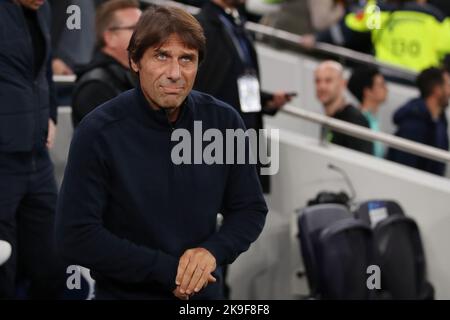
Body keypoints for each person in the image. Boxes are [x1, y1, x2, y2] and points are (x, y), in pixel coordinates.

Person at [55, 5, 268, 300]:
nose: (175, 73)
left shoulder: (223, 121)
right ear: (135, 60)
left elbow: (249, 208)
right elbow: (76, 235)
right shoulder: (98, 132)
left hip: (202, 297)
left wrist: (211, 252)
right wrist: (169, 271)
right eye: (161, 56)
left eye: (187, 59)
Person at [0, 0, 64, 299]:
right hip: (3, 159)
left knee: (50, 261)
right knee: (3, 266)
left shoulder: (42, 10)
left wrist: (50, 113)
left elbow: (44, 71)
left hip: (37, 157)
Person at [194, 0, 292, 194]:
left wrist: (265, 101)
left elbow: (235, 80)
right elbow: (206, 86)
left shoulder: (236, 23)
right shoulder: (202, 26)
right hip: (216, 144)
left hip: (245, 137)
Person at [305, 0, 450, 72]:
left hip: (384, 82)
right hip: (420, 85)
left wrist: (317, 39)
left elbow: (347, 29)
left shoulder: (382, 12)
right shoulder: (438, 21)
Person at [71, 0, 141, 127]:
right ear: (110, 37)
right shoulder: (95, 87)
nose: (145, 34)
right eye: (135, 28)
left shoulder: (135, 76)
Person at [387, 68, 450, 176]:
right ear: (437, 90)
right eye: (448, 85)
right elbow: (404, 170)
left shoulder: (440, 120)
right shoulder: (413, 125)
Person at [315, 61, 374, 154]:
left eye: (328, 80)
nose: (321, 86)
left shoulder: (355, 120)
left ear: (342, 83)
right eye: (317, 81)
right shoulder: (329, 117)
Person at [348, 65, 388, 158]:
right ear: (368, 91)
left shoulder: (374, 120)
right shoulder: (360, 122)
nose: (386, 89)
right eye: (382, 85)